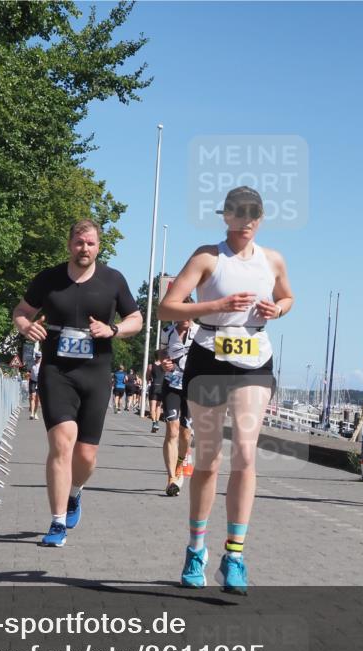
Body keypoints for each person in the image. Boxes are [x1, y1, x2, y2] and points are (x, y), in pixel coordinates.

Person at [158, 186, 294, 595]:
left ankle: (234, 555)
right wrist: (210, 308)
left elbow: (288, 296)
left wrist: (278, 309)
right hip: (210, 354)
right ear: (227, 217)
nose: (247, 221)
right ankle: (195, 549)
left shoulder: (273, 260)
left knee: (247, 454)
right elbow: (168, 307)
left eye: (255, 214)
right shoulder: (207, 257)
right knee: (209, 459)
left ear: (261, 219)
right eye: (240, 214)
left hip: (256, 355)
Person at [12, 219, 142, 548]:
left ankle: (74, 493)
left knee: (86, 455)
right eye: (79, 242)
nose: (84, 248)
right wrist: (26, 326)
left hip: (96, 373)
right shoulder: (49, 278)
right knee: (61, 443)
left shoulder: (113, 280)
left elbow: (136, 319)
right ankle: (57, 523)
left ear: (99, 246)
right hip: (57, 371)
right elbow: (21, 310)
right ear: (69, 244)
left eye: (91, 243)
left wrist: (113, 330)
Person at [159, 311, 199, 497]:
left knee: (185, 434)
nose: (182, 317)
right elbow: (161, 351)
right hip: (171, 385)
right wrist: (163, 361)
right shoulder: (167, 332)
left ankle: (180, 465)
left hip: (191, 387)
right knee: (172, 430)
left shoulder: (200, 332)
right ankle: (170, 479)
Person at [147, 349, 166, 433]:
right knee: (158, 406)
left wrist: (150, 378)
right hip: (162, 388)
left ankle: (154, 423)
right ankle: (157, 423)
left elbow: (147, 377)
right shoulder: (165, 365)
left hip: (154, 386)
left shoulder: (151, 366)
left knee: (152, 408)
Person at [28, 351, 42, 419]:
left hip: (40, 382)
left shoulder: (42, 364)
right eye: (37, 357)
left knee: (37, 399)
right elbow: (28, 372)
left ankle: (35, 413)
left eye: (39, 357)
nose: (38, 358)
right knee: (33, 397)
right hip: (32, 381)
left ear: (41, 358)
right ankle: (32, 413)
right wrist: (28, 374)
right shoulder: (32, 364)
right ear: (35, 357)